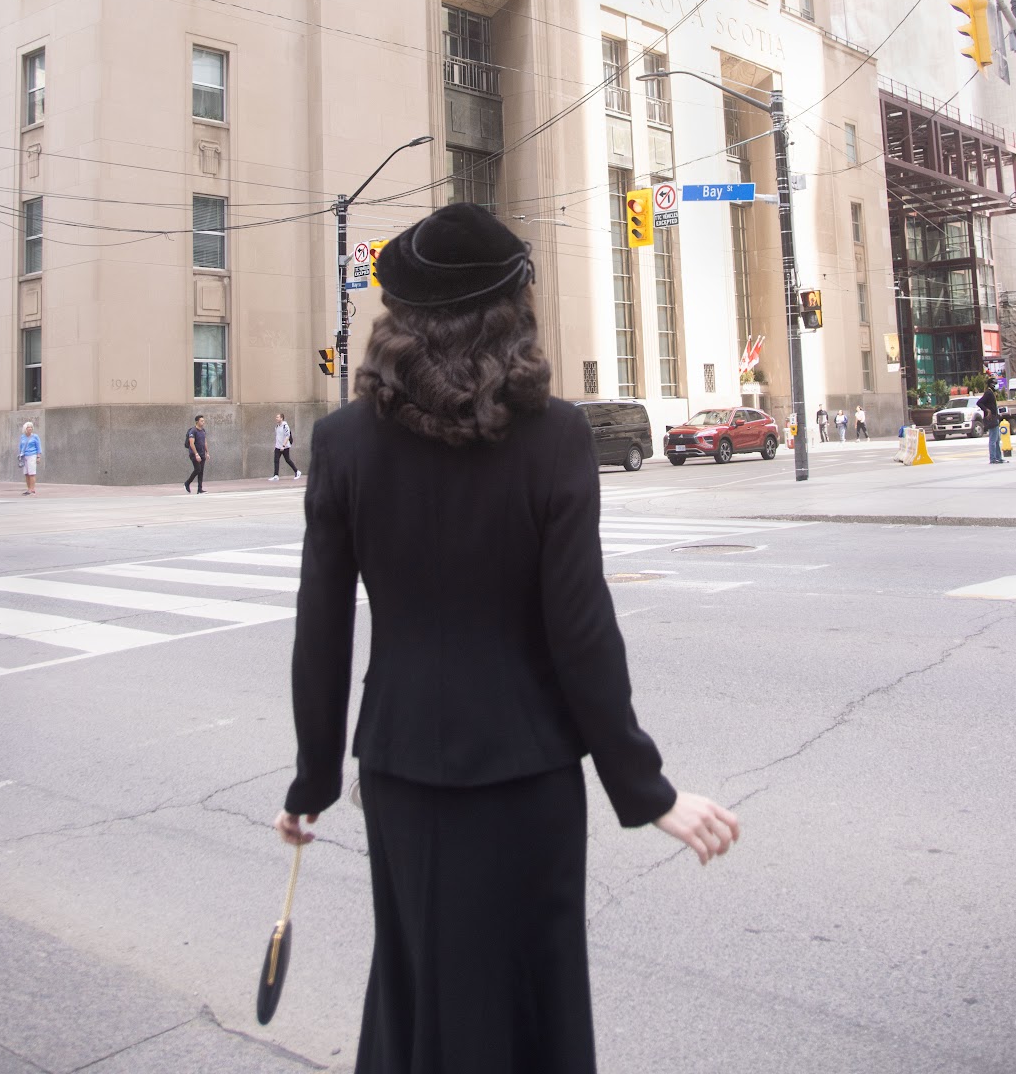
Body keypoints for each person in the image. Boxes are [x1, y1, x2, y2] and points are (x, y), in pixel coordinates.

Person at [274, 204, 739, 1074]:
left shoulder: (341, 443)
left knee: (418, 983)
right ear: (510, 311)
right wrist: (645, 789)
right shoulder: (555, 436)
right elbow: (581, 629)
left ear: (398, 316)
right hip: (528, 774)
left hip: (403, 767)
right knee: (534, 996)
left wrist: (312, 780)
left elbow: (321, 625)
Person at [270, 412, 302, 481]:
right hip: (278, 446)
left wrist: (283, 445)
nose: (276, 418)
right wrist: (276, 446)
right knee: (276, 460)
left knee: (287, 460)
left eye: (278, 417)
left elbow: (287, 436)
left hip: (285, 447)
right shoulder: (277, 426)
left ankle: (297, 471)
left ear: (281, 418)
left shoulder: (285, 426)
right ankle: (276, 475)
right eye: (276, 417)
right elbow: (278, 437)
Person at [977, 376, 1002, 466]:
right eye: (995, 384)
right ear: (991, 384)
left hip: (995, 417)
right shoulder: (988, 393)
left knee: (997, 439)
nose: (997, 386)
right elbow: (979, 402)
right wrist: (987, 410)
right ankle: (993, 458)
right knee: (993, 440)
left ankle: (999, 458)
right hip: (991, 419)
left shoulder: (992, 393)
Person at [184, 414, 208, 494]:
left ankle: (200, 489)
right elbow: (191, 443)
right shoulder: (193, 431)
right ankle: (187, 483)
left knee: (201, 471)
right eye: (201, 421)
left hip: (202, 453)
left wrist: (207, 452)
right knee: (198, 469)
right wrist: (196, 454)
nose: (203, 422)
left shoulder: (203, 430)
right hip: (194, 454)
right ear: (197, 422)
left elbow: (205, 442)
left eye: (203, 421)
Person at [18, 421, 41, 495]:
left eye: (31, 427)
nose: (30, 428)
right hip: (24, 456)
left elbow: (38, 447)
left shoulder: (35, 436)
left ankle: (32, 489)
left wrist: (38, 456)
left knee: (32, 473)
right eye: (28, 427)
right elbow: (21, 446)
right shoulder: (22, 437)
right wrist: (20, 455)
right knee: (26, 473)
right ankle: (29, 488)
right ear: (25, 429)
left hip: (32, 455)